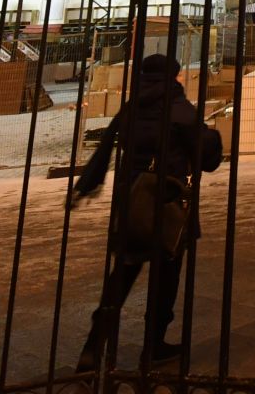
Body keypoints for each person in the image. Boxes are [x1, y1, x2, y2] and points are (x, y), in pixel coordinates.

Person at [70, 52, 223, 373]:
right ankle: (154, 346)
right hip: (167, 203)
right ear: (174, 77)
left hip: (131, 202)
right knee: (165, 278)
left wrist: (86, 184)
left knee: (121, 276)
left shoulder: (130, 108)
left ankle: (92, 346)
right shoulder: (179, 108)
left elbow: (105, 146)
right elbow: (207, 158)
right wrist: (211, 136)